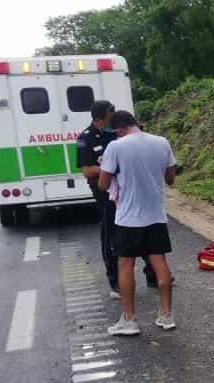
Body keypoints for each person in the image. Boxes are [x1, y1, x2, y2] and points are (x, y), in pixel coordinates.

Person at [98, 111, 177, 335]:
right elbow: (170, 178)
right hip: (156, 216)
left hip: (128, 219)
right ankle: (166, 314)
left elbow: (103, 185)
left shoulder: (116, 147)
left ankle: (130, 320)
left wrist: (107, 167)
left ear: (119, 129)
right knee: (160, 263)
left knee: (125, 265)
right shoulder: (162, 142)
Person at [76, 100, 157, 298]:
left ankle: (153, 275)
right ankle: (116, 282)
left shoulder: (117, 133)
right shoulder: (85, 139)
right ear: (100, 118)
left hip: (128, 189)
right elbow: (87, 170)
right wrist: (112, 167)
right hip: (105, 195)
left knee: (143, 227)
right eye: (110, 114)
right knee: (112, 236)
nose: (114, 117)